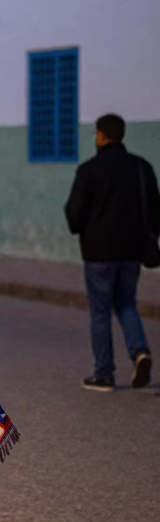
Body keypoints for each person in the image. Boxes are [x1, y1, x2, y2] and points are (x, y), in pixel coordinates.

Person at [65, 113, 159, 391]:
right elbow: (155, 211)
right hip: (132, 251)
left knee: (100, 311)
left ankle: (104, 374)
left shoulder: (89, 170)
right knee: (127, 303)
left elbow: (74, 216)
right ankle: (139, 351)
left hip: (98, 253)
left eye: (96, 134)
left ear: (102, 136)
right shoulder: (142, 168)